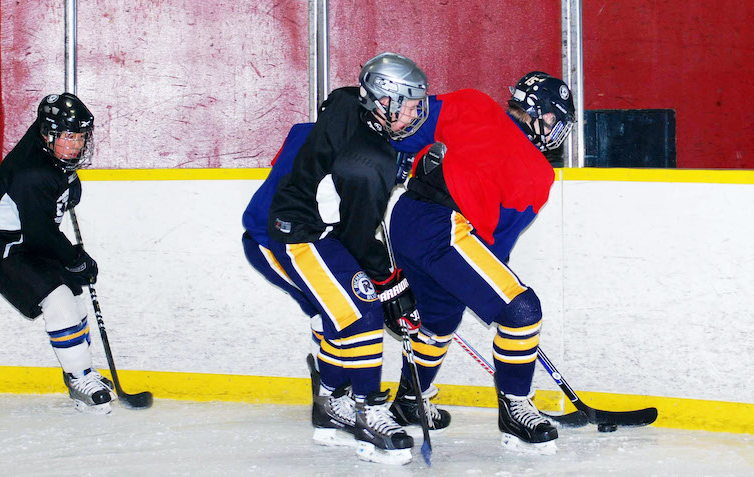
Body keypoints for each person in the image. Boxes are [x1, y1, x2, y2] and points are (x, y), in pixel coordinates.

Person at [241, 52, 428, 465]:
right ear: (384, 102)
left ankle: (330, 406)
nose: (417, 112)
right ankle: (366, 409)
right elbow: (359, 237)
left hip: (313, 226)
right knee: (363, 310)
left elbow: (338, 107)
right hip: (298, 232)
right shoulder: (369, 165)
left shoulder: (349, 102)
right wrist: (393, 287)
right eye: (412, 104)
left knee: (340, 313)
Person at [385, 72, 576, 454]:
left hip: (407, 219)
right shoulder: (539, 173)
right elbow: (496, 245)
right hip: (444, 230)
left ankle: (409, 400)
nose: (557, 132)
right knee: (521, 311)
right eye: (556, 119)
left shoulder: (472, 102)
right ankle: (515, 407)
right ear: (539, 113)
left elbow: (404, 134)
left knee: (438, 323)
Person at [0, 93, 113, 414]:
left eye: (81, 136)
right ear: (48, 134)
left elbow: (50, 211)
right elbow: (39, 231)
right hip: (2, 245)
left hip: (28, 237)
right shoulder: (32, 173)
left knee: (75, 294)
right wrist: (75, 258)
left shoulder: (51, 154)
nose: (76, 145)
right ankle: (78, 378)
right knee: (58, 298)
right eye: (69, 136)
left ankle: (83, 369)